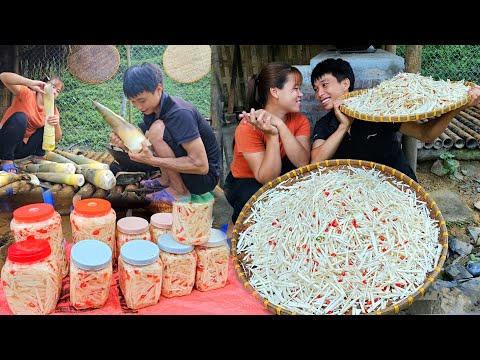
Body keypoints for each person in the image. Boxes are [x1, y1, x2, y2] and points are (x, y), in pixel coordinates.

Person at [310, 58, 480, 181]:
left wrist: (458, 107)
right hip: (359, 190)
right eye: (316, 89)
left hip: (397, 182)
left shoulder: (378, 110)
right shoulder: (325, 124)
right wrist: (343, 126)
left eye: (324, 85)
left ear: (345, 83)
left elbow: (425, 134)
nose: (319, 94)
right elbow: (316, 161)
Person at [109, 62, 221, 203]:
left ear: (159, 89)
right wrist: (124, 145)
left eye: (141, 100)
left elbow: (201, 166)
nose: (138, 107)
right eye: (133, 102)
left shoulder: (180, 114)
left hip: (203, 179)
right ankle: (167, 180)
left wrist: (153, 161)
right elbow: (147, 147)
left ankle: (179, 190)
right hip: (187, 172)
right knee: (150, 134)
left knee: (155, 130)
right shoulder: (152, 110)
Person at [223, 62, 311, 225]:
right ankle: (234, 228)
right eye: (295, 88)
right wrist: (272, 135)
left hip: (277, 172)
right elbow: (267, 178)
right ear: (275, 92)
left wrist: (280, 125)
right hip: (245, 182)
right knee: (261, 199)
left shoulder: (300, 121)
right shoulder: (248, 127)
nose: (301, 94)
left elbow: (302, 162)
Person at [0, 73, 64, 173]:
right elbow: (3, 76)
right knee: (20, 117)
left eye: (58, 91)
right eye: (53, 86)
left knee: (47, 126)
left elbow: (57, 138)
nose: (55, 91)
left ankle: (39, 156)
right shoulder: (27, 94)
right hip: (3, 144)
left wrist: (56, 124)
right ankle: (6, 160)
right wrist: (30, 83)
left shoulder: (53, 109)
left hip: (21, 150)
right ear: (44, 85)